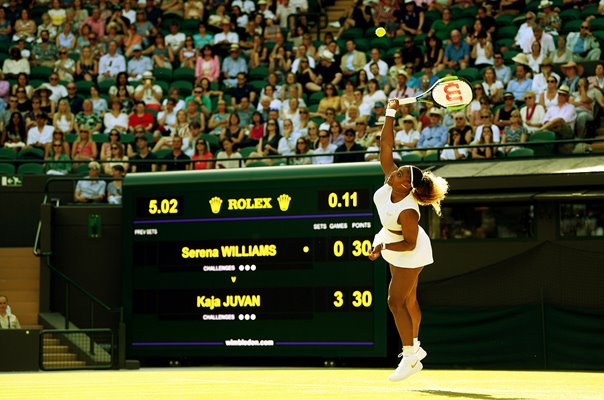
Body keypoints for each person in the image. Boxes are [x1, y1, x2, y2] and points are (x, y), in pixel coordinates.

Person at [369, 97, 448, 382]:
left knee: (395, 301)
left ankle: (411, 358)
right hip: (391, 240)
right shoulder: (394, 181)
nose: (393, 172)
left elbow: (410, 244)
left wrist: (382, 246)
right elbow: (386, 147)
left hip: (409, 248)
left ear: (406, 185)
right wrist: (391, 111)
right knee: (409, 300)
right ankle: (415, 348)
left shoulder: (409, 213)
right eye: (397, 171)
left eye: (399, 173)